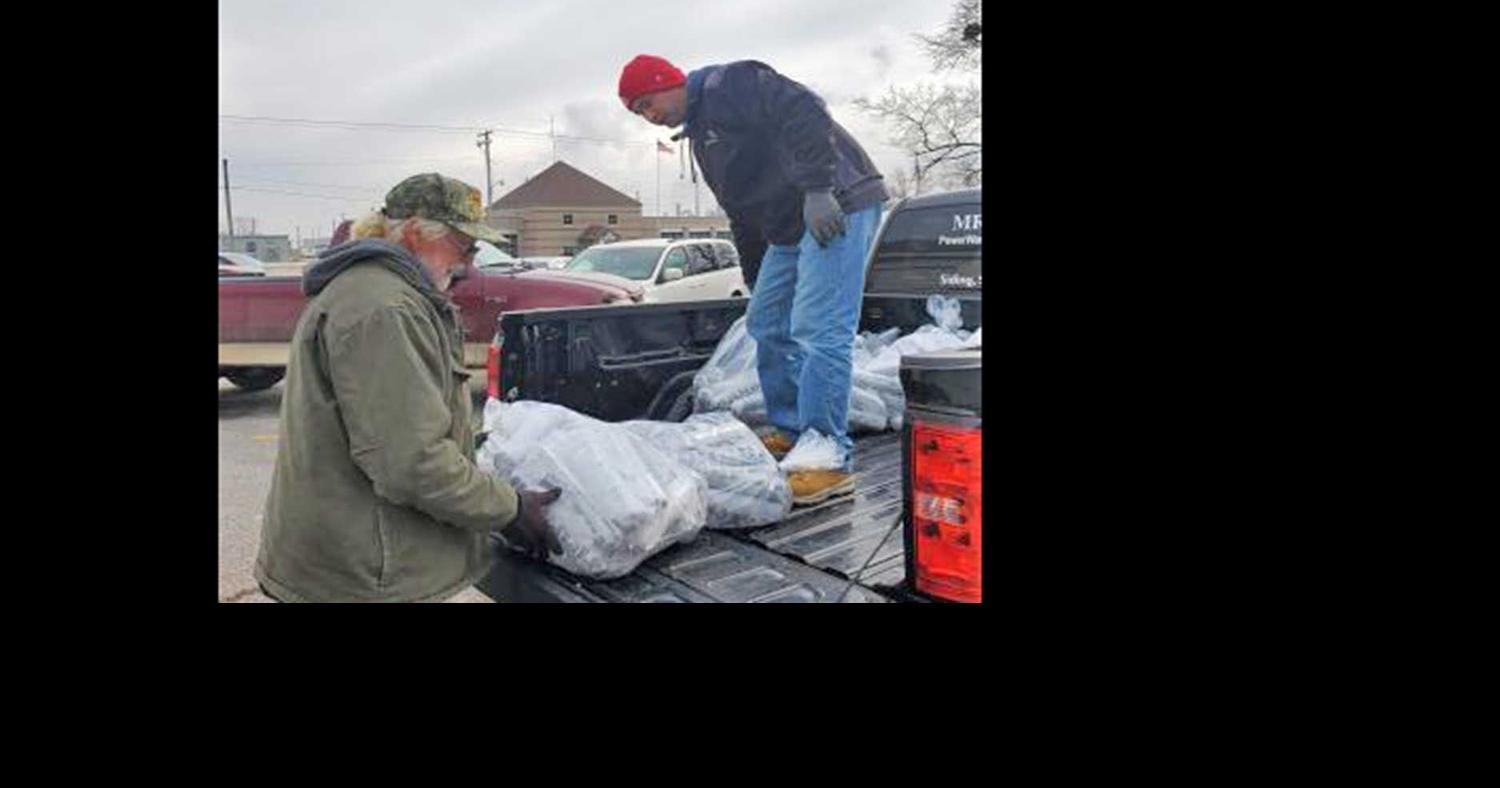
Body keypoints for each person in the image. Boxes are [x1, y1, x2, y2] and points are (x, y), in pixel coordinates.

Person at [255, 173, 561, 603]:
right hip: (362, 577)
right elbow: (412, 462)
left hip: (354, 560)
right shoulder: (385, 309)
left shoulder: (381, 292)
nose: (470, 265)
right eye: (465, 246)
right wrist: (510, 509)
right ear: (416, 232)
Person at [619, 54, 888, 504]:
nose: (648, 116)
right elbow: (742, 215)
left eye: (647, 103)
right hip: (787, 227)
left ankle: (828, 456)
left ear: (669, 82)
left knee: (819, 328)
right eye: (638, 112)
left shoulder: (731, 84)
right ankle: (793, 429)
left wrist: (819, 189)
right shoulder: (703, 142)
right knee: (765, 322)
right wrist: (756, 275)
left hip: (836, 203)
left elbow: (805, 109)